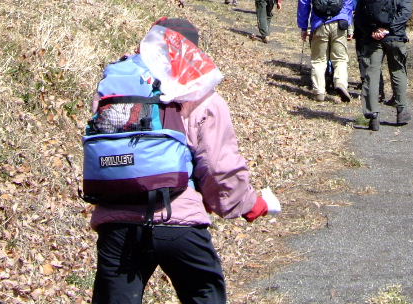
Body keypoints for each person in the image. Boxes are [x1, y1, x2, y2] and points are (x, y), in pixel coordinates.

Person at [88, 17, 276, 304]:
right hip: (179, 219)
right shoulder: (201, 94)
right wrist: (248, 205)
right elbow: (218, 167)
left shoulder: (116, 86)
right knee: (204, 295)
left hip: (118, 223)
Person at [352, 0, 413, 130]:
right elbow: (406, 13)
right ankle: (401, 111)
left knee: (371, 74)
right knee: (398, 71)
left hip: (373, 39)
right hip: (396, 38)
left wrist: (373, 31)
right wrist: (388, 29)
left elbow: (359, 17)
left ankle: (373, 115)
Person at [296, 0, 354, 102]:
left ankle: (319, 91)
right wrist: (348, 24)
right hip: (339, 24)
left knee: (319, 60)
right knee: (340, 58)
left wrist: (304, 27)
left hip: (319, 24)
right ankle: (340, 83)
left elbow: (303, 5)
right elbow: (350, 4)